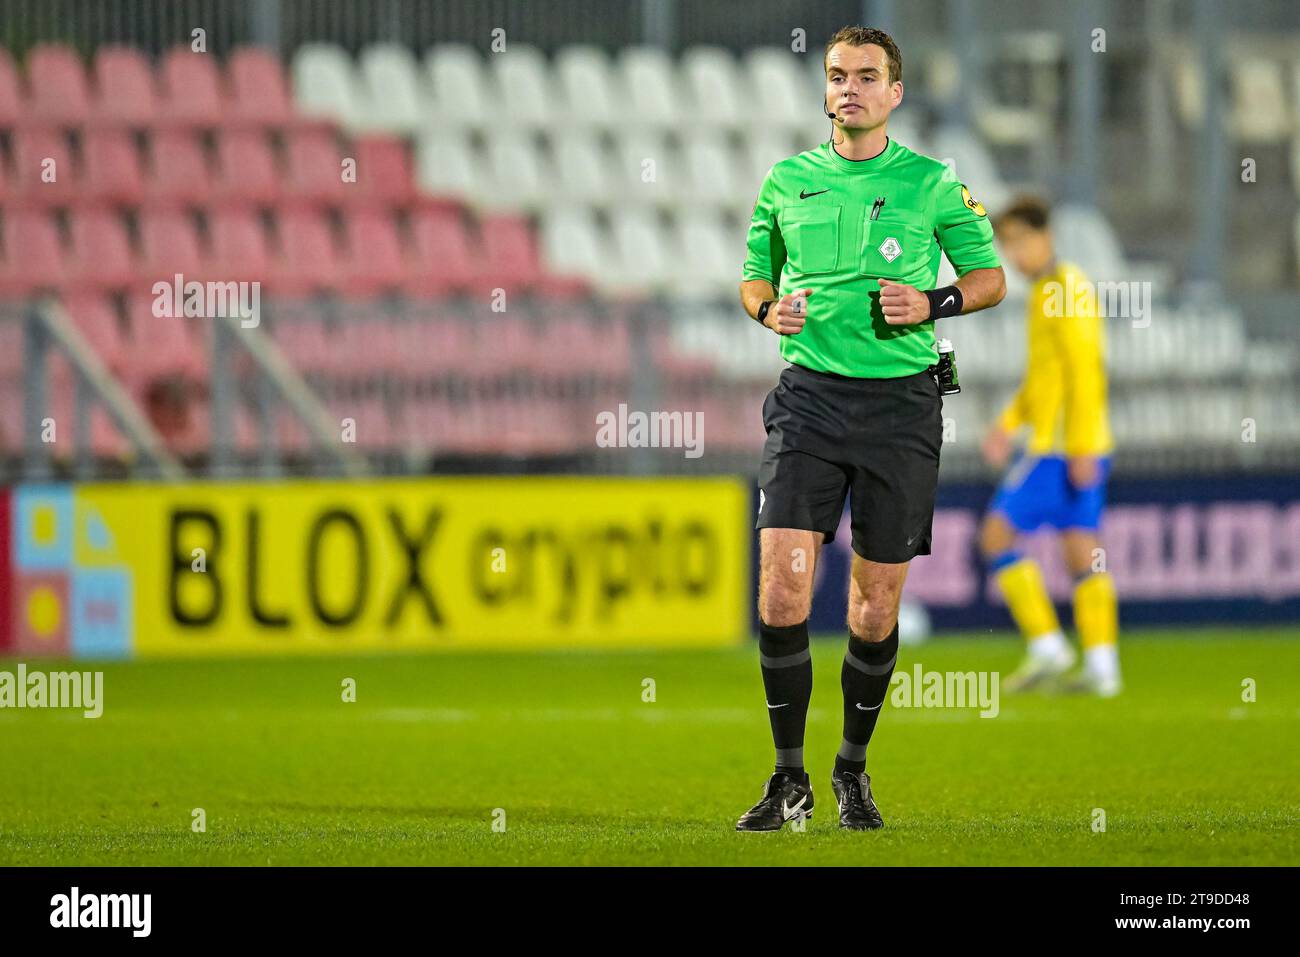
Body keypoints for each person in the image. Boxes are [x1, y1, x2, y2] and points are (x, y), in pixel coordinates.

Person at [735, 25, 1005, 831]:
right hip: (808, 400)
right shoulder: (786, 180)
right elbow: (752, 274)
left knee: (873, 608)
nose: (848, 87)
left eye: (865, 76)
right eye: (836, 75)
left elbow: (990, 277)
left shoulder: (931, 183)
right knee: (782, 583)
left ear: (895, 93)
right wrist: (764, 307)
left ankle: (851, 768)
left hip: (900, 409)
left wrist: (934, 302)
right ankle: (789, 778)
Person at [979, 195, 1121, 697]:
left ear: (1046, 237)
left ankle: (1048, 646)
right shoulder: (1047, 291)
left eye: (1020, 241)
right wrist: (1008, 422)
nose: (1014, 255)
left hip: (1064, 447)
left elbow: (1085, 373)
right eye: (1007, 245)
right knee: (1081, 546)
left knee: (996, 536)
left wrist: (1080, 446)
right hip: (1070, 441)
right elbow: (1043, 378)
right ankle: (1102, 666)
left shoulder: (1067, 289)